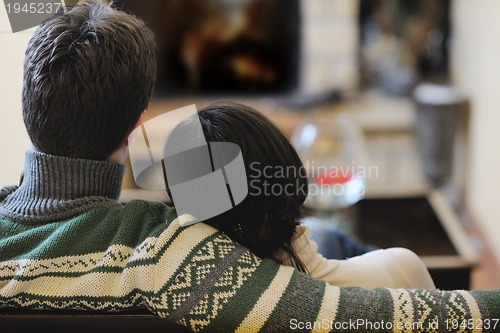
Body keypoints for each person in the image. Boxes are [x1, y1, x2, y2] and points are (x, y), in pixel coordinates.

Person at [0, 1, 498, 332]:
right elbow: (375, 315)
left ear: (28, 110)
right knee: (336, 242)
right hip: (306, 273)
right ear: (137, 125)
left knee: (326, 234)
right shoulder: (167, 257)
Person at [164, 101, 435, 290]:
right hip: (322, 267)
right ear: (290, 178)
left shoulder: (171, 283)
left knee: (324, 232)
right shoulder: (403, 271)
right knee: (329, 235)